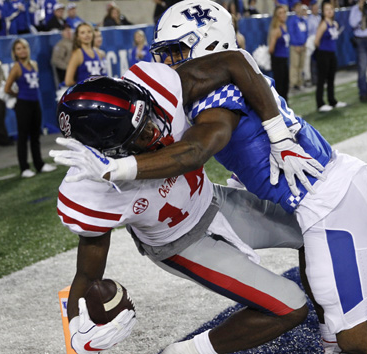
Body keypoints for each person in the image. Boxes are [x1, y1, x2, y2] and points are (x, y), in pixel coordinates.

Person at [56, 1, 367, 353]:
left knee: (358, 342)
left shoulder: (216, 101)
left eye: (177, 51)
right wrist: (277, 131)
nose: (170, 63)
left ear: (203, 44)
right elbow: (234, 61)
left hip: (326, 208)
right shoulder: (215, 74)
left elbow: (196, 149)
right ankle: (328, 339)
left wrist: (124, 167)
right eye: (166, 54)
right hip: (352, 176)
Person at [51, 56, 310, 354]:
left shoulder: (159, 87)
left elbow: (232, 63)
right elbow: (87, 274)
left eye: (148, 116)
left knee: (313, 228)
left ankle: (335, 325)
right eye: (140, 135)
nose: (153, 129)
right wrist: (76, 334)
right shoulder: (93, 188)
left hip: (212, 199)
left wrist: (277, 132)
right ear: (106, 151)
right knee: (290, 307)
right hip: (180, 245)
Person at [4, 38, 56, 178]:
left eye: (24, 47)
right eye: (18, 48)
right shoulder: (16, 67)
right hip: (23, 104)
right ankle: (24, 168)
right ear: (14, 52)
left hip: (35, 103)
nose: (22, 50)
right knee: (22, 137)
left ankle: (39, 164)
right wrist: (18, 95)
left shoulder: (34, 64)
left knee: (35, 135)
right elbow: (7, 88)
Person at [314, 1, 346, 112]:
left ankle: (332, 100)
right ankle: (320, 103)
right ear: (323, 11)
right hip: (323, 54)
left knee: (331, 78)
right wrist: (322, 52)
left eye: (331, 9)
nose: (329, 11)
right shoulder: (323, 24)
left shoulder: (334, 24)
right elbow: (316, 41)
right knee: (322, 79)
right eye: (327, 9)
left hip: (332, 54)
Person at [64, 22, 107, 87]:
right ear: (78, 37)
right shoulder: (78, 53)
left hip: (98, 92)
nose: (86, 35)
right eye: (82, 33)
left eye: (89, 32)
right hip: (85, 94)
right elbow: (68, 81)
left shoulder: (97, 52)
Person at [267, 5, 290, 103]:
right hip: (278, 60)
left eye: (284, 12)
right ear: (276, 16)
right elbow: (271, 49)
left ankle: (286, 107)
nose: (283, 15)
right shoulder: (276, 30)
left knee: (286, 85)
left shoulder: (284, 26)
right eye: (280, 13)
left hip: (284, 59)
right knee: (280, 87)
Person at [287, 2, 308, 91]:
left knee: (301, 65)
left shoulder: (303, 20)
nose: (299, 8)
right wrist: (295, 44)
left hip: (302, 46)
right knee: (294, 65)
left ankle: (299, 82)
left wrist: (304, 43)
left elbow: (306, 32)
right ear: (294, 9)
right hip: (295, 46)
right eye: (297, 7)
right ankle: (293, 83)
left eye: (300, 6)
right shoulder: (292, 20)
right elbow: (291, 33)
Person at [304, 1, 320, 87]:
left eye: (317, 8)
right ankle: (314, 79)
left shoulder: (319, 18)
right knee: (313, 62)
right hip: (312, 43)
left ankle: (320, 78)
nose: (316, 10)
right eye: (314, 8)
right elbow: (309, 31)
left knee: (319, 61)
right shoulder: (309, 19)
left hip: (320, 42)